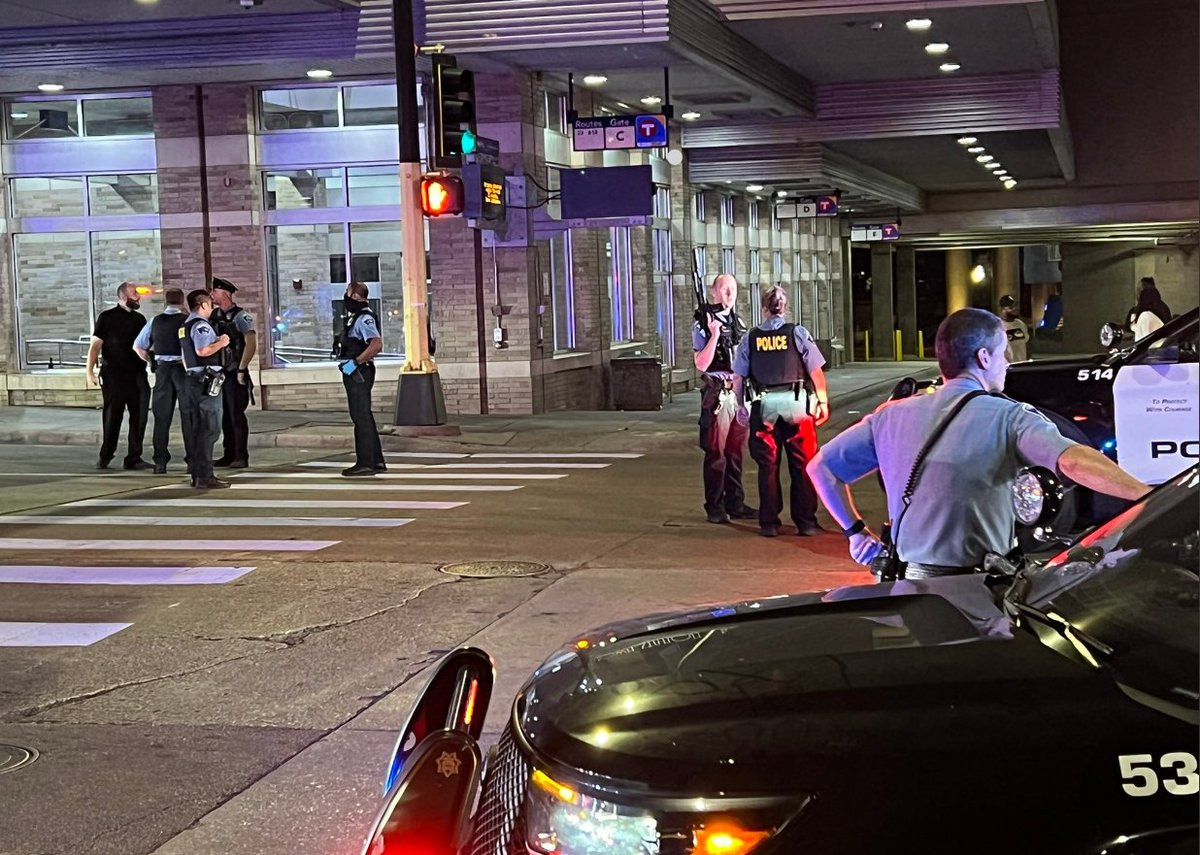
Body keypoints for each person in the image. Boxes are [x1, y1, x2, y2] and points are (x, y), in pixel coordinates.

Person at [807, 308, 1150, 577]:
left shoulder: (889, 416)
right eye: (1003, 353)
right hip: (976, 592)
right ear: (984, 358)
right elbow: (1072, 461)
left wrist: (855, 533)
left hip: (907, 588)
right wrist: (1149, 497)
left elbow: (820, 467)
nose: (1007, 362)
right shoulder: (1010, 417)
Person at [732, 286, 830, 538]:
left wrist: (741, 406)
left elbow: (739, 377)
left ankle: (769, 523)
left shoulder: (750, 338)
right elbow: (815, 370)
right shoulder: (797, 332)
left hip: (764, 405)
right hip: (797, 404)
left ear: (764, 308)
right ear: (784, 308)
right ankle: (806, 522)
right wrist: (822, 401)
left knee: (768, 465)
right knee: (802, 464)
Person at [692, 273, 755, 524]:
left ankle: (735, 502)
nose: (729, 294)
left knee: (735, 452)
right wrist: (714, 335)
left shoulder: (737, 321)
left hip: (737, 391)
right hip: (717, 393)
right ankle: (715, 506)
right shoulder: (703, 321)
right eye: (724, 289)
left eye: (733, 289)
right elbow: (701, 364)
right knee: (716, 453)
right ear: (714, 292)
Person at [86, 282, 150, 470]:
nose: (138, 297)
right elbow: (95, 346)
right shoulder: (107, 317)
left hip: (137, 374)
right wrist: (89, 371)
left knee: (139, 416)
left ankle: (134, 457)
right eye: (133, 294)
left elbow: (145, 345)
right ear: (122, 296)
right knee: (113, 415)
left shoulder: (140, 319)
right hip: (114, 374)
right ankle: (106, 455)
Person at [178, 289, 231, 489]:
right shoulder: (201, 326)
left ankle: (197, 473)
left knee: (197, 429)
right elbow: (203, 350)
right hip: (205, 382)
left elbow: (186, 356)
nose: (211, 308)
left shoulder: (185, 326)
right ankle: (204, 475)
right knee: (210, 429)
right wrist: (222, 342)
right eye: (210, 304)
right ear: (202, 305)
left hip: (192, 380)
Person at [133, 288, 188, 474]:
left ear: (166, 301)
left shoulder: (155, 321)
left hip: (163, 370)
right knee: (189, 416)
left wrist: (151, 360)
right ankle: (192, 459)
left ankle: (160, 462)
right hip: (183, 370)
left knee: (161, 418)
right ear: (182, 302)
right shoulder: (188, 321)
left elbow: (138, 346)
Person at [336, 281, 386, 477]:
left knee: (360, 417)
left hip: (359, 373)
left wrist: (355, 363)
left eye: (348, 294)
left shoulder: (364, 318)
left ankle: (365, 462)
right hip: (356, 371)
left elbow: (376, 344)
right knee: (364, 415)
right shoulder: (355, 317)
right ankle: (376, 460)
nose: (346, 299)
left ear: (356, 296)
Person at [210, 277, 257, 468]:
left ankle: (240, 456)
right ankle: (228, 454)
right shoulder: (213, 315)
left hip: (234, 371)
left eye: (215, 291)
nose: (212, 294)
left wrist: (242, 369)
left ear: (226, 294)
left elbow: (250, 344)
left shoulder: (241, 316)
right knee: (224, 415)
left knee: (236, 414)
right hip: (218, 372)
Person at [997, 294, 1029, 362]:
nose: (1015, 309)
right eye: (1011, 307)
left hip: (1022, 366)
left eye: (1015, 306)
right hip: (1008, 368)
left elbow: (1026, 344)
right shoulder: (998, 326)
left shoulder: (1020, 324)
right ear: (1003, 309)